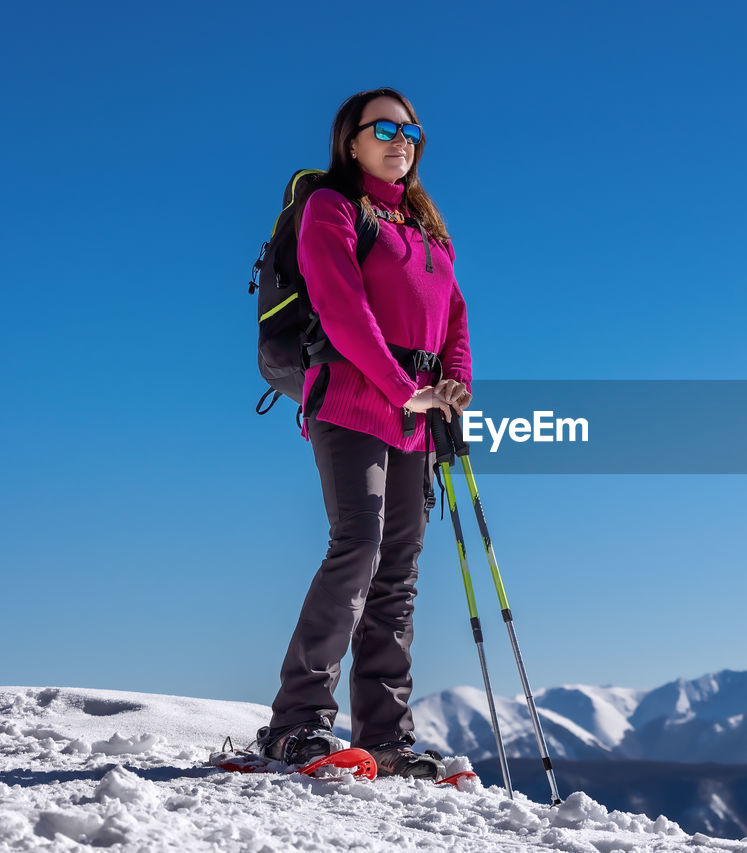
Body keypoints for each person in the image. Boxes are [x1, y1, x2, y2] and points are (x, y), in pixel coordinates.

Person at [253, 87, 473, 780]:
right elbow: (344, 312)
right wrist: (403, 385)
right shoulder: (332, 208)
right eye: (384, 128)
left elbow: (455, 316)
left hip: (416, 414)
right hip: (350, 400)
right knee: (360, 544)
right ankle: (296, 724)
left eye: (411, 131)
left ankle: (386, 736)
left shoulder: (425, 228)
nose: (400, 140)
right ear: (351, 140)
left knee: (399, 574)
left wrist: (451, 387)